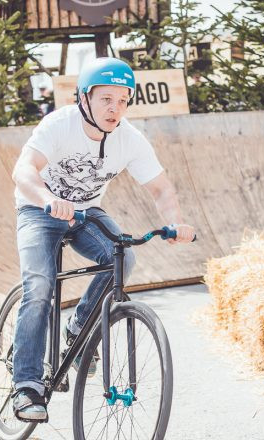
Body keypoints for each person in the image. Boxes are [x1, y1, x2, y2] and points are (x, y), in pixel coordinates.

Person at [11, 57, 195, 422]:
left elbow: (160, 188)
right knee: (40, 286)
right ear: (84, 98)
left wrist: (175, 224)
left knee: (124, 257)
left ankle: (80, 325)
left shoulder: (129, 139)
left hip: (86, 213)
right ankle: (26, 385)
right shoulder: (59, 125)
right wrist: (48, 199)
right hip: (39, 209)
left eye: (123, 101)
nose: (115, 109)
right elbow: (23, 171)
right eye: (106, 99)